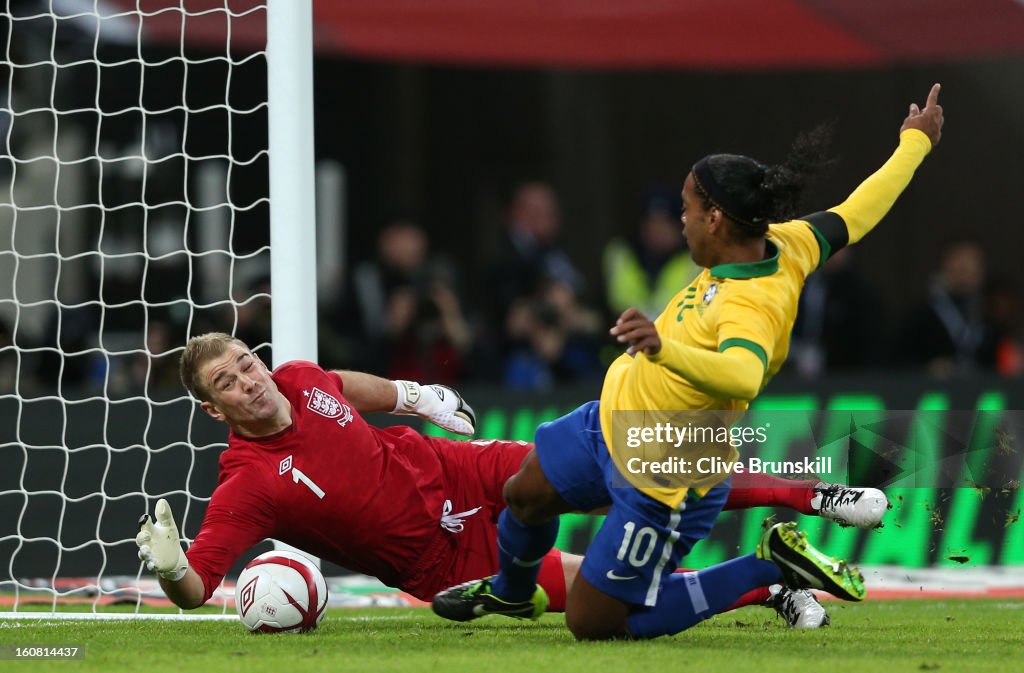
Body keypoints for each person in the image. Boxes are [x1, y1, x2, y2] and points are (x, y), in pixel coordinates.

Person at [432, 84, 944, 640]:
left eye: (687, 208)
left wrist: (662, 346)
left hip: (668, 473)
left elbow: (743, 374)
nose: (681, 220)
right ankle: (510, 593)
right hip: (612, 421)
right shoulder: (787, 243)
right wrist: (914, 143)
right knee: (525, 494)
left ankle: (765, 571)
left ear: (716, 219)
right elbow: (857, 212)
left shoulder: (752, 304)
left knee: (592, 622)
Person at [135, 333, 882, 627]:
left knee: (629, 466)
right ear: (213, 408)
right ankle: (767, 575)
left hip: (457, 468)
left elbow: (341, 385)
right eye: (228, 382)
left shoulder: (297, 378)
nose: (249, 380)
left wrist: (414, 395)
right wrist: (172, 570)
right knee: (612, 603)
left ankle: (814, 496)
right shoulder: (247, 483)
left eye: (245, 362)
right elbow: (199, 587)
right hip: (443, 560)